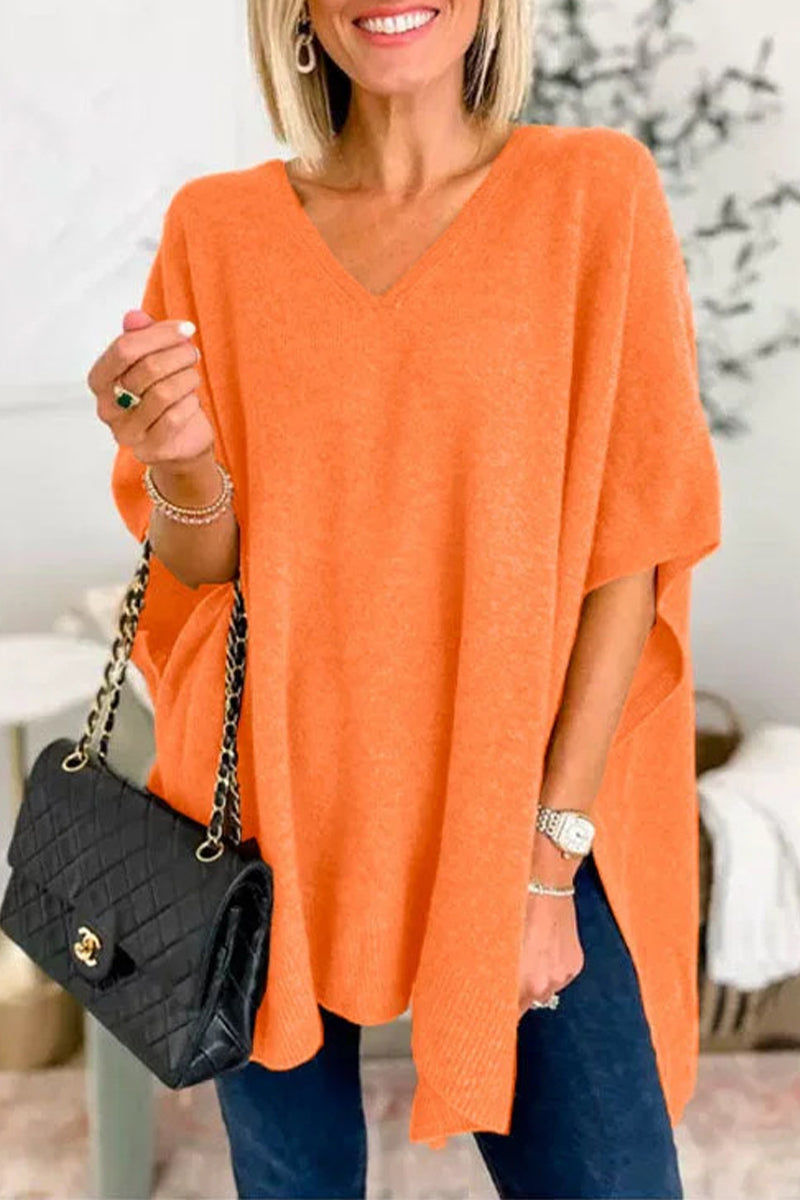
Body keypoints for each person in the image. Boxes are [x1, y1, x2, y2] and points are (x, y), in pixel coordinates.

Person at [87, 0, 722, 1195]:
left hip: (518, 812)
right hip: (269, 824)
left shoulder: (592, 196)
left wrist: (546, 866)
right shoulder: (216, 230)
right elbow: (202, 569)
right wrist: (178, 462)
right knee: (295, 1185)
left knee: (607, 1178)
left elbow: (626, 564)